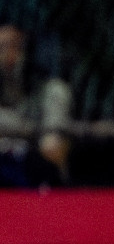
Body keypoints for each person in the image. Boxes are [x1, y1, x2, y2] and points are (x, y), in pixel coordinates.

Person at [0, 24, 72, 189]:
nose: (9, 56)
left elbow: (53, 151)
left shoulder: (52, 91)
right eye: (2, 48)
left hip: (37, 181)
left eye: (16, 47)